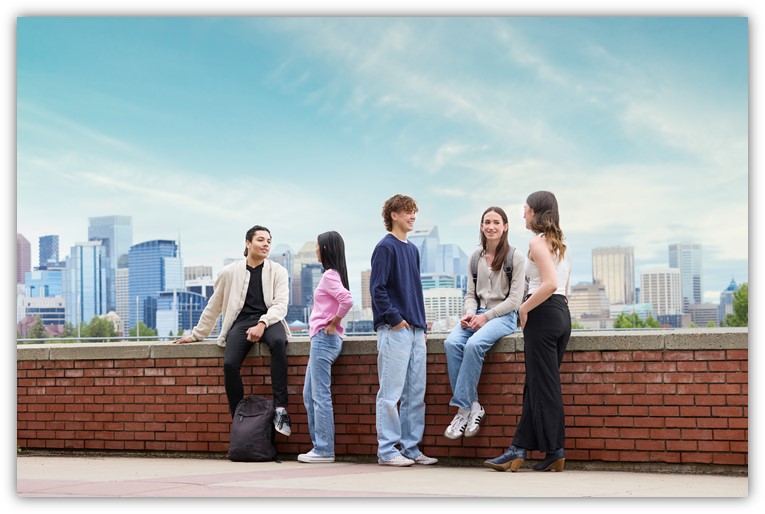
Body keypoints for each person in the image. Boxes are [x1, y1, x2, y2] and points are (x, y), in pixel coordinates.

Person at [174, 225, 293, 437]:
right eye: (260, 240)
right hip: (241, 322)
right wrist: (197, 335)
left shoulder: (278, 271)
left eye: (268, 240)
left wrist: (263, 323)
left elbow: (281, 305)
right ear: (248, 243)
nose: (266, 244)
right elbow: (215, 305)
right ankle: (238, 415)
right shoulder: (230, 272)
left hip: (270, 320)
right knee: (229, 364)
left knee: (277, 343)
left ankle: (280, 409)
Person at [484, 191, 571, 473]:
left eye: (526, 208)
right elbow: (562, 287)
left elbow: (549, 283)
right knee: (537, 383)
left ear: (536, 212)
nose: (523, 212)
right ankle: (520, 449)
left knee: (543, 385)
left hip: (543, 313)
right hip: (561, 314)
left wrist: (524, 309)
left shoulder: (536, 242)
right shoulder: (560, 244)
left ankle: (554, 449)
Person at [443, 206, 525, 440]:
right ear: (481, 226)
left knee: (473, 345)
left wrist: (486, 317)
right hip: (477, 312)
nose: (491, 226)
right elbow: (471, 294)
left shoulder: (515, 257)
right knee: (451, 344)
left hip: (503, 317)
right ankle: (472, 406)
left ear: (505, 227)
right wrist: (470, 313)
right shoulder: (475, 257)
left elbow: (515, 300)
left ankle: (461, 408)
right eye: (487, 222)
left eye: (496, 222)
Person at [370, 194, 437, 467]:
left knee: (414, 393)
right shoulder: (385, 247)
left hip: (416, 330)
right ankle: (387, 450)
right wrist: (396, 319)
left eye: (414, 212)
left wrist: (420, 322)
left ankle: (411, 448)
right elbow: (378, 289)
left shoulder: (412, 249)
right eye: (407, 212)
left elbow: (415, 291)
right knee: (391, 393)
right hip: (394, 330)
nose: (412, 217)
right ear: (393, 215)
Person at [298, 231, 354, 464]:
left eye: (319, 246)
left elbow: (347, 300)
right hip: (322, 339)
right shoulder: (335, 274)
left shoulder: (330, 275)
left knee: (320, 395)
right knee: (309, 394)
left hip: (324, 338)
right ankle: (319, 446)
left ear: (327, 249)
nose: (316, 250)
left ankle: (324, 449)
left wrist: (334, 321)